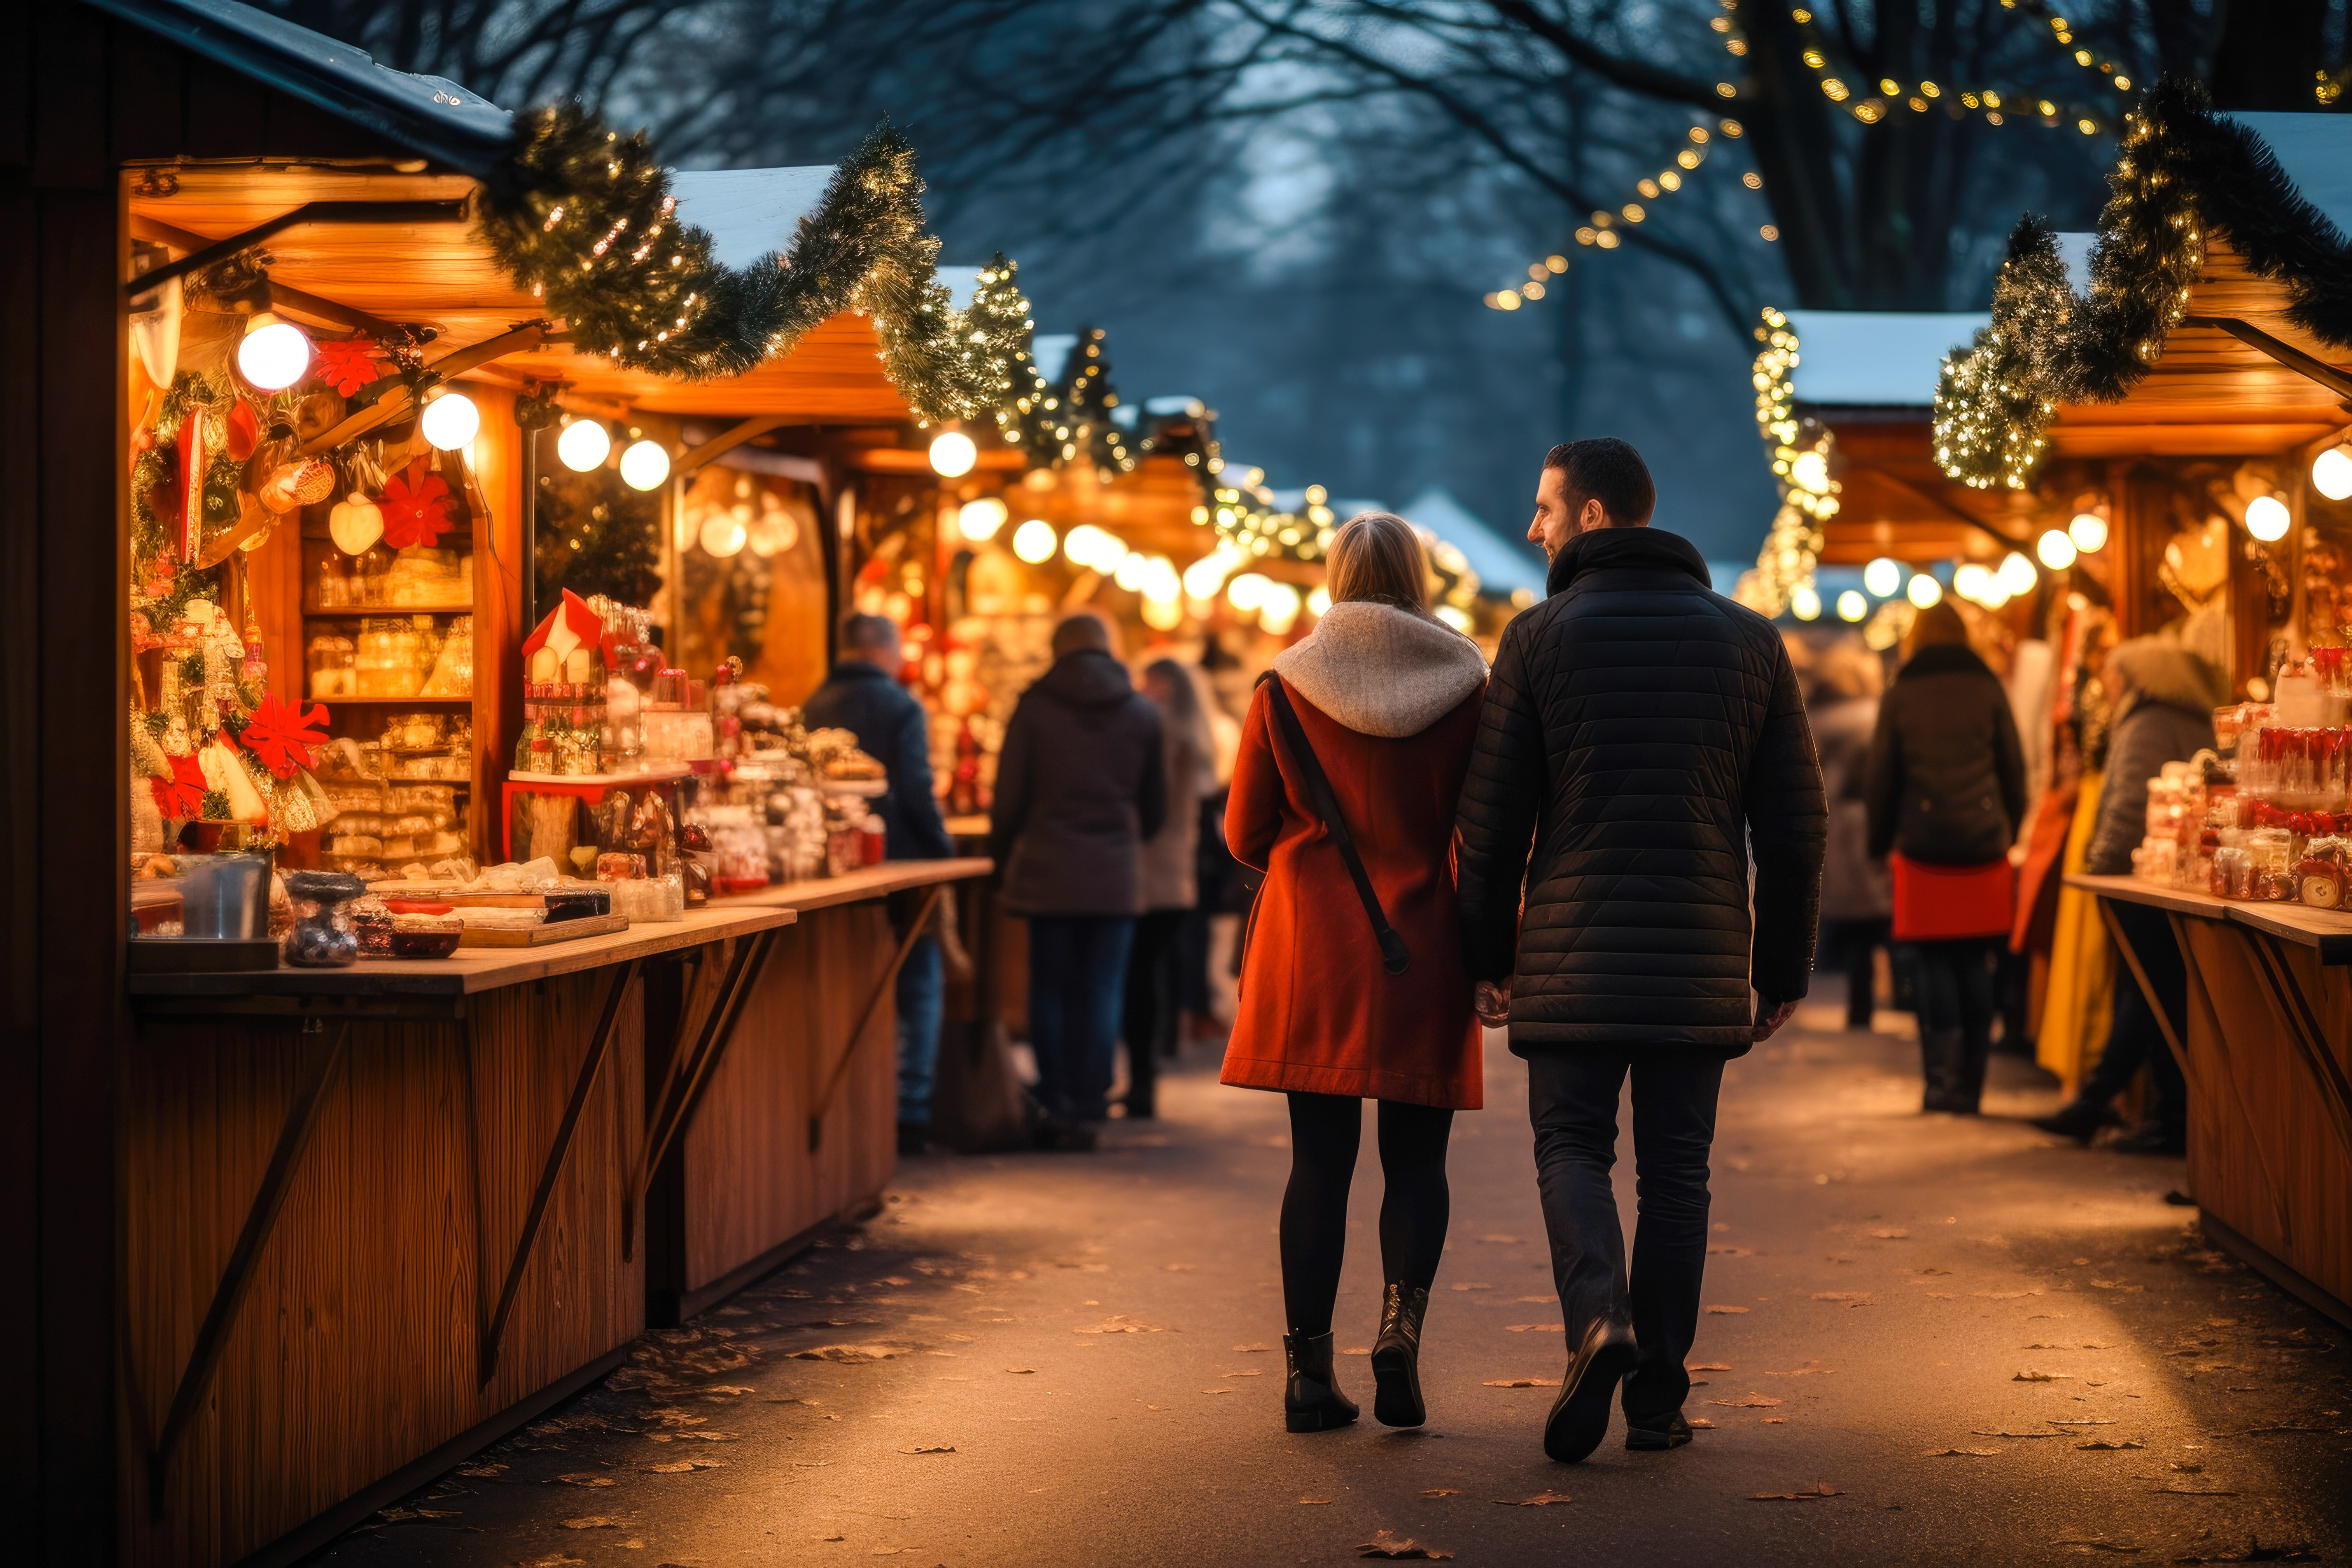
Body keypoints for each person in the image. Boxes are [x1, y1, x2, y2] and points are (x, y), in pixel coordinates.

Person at [1454, 437, 1825, 1463]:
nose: (1532, 528)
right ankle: (1659, 1397)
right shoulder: (1752, 644)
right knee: (1677, 1173)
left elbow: (1492, 831)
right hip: (1699, 956)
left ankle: (1596, 1320)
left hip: (1569, 952)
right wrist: (1780, 969)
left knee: (1571, 1148)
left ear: (1596, 518)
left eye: (1544, 508)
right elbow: (1795, 832)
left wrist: (1487, 954)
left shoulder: (1536, 641)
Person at [1222, 511, 1489, 1434]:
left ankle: (1305, 1374)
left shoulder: (1283, 687)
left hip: (1315, 950)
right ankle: (1399, 1335)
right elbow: (1487, 835)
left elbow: (1243, 834)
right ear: (1421, 579)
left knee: (1318, 1163)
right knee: (1417, 1159)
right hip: (1424, 946)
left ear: (1333, 575)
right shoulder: (1469, 687)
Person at [2030, 628, 2221, 1154]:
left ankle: (2158, 1116)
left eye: (2116, 673)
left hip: (2136, 878)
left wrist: (2103, 864)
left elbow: (2128, 802)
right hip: (2171, 877)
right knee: (2152, 992)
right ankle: (2108, 1105)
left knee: (2153, 993)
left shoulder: (2145, 721)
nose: (2109, 683)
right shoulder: (2191, 715)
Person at [989, 610, 1166, 1146]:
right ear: (1108, 647)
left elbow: (1010, 797)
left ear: (1057, 649)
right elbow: (1155, 806)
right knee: (1102, 989)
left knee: (1050, 987)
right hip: (1114, 873)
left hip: (1048, 869)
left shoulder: (1034, 708)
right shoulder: (1142, 712)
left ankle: (1057, 1097)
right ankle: (1092, 1099)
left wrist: (1003, 858)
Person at [1864, 600, 2027, 1115]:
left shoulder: (1902, 692)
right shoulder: (1989, 687)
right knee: (1979, 960)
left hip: (1922, 846)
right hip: (1983, 846)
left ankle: (1940, 1082)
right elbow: (2014, 771)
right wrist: (2007, 829)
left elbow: (1882, 778)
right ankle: (1972, 1085)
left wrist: (1878, 841)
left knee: (1932, 961)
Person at [802, 612, 953, 1157]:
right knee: (919, 983)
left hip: (829, 865)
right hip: (901, 864)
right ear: (887, 653)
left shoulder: (813, 703)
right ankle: (910, 1110)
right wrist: (942, 850)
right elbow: (917, 789)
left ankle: (860, 1106)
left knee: (853, 982)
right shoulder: (902, 705)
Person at [1122, 657, 1213, 1118]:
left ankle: (1141, 1080)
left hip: (1146, 868)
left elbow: (1145, 804)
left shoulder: (1157, 730)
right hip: (1178, 869)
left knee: (1137, 977)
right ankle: (1160, 1057)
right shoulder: (1196, 736)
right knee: (1159, 968)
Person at [1810, 638, 1893, 1030]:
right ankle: (1895, 995)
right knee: (1880, 915)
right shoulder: (1877, 716)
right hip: (1873, 820)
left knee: (1854, 922)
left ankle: (1859, 1005)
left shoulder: (1819, 722)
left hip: (1836, 826)